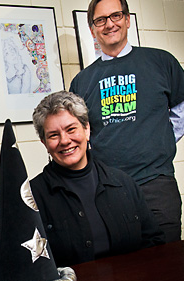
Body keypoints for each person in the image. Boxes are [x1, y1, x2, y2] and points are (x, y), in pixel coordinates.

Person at [69, 0, 184, 243]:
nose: (109, 24)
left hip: (157, 184)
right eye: (100, 20)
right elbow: (81, 133)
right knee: (124, 269)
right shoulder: (81, 81)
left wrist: (158, 141)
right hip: (108, 189)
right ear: (92, 29)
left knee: (166, 264)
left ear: (127, 19)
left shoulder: (161, 61)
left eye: (116, 15)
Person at [30, 91, 165, 267]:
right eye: (53, 135)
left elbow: (153, 242)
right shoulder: (32, 196)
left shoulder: (123, 183)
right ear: (44, 143)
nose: (64, 141)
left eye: (71, 129)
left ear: (87, 130)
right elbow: (29, 266)